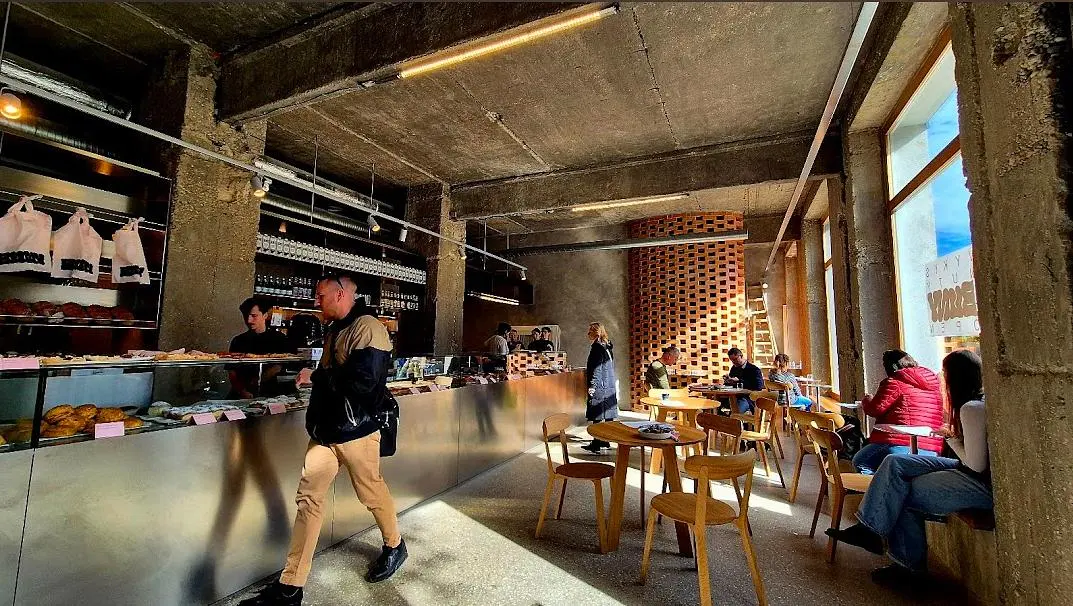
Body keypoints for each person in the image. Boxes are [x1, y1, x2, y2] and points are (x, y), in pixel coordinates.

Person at [240, 275, 404, 606]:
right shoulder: (333, 329)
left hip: (358, 431)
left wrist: (317, 375)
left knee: (370, 493)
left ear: (340, 295)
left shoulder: (369, 327)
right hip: (326, 432)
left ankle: (395, 545)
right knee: (308, 500)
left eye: (321, 295)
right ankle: (291, 586)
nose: (316, 301)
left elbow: (365, 382)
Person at [827, 350, 991, 584]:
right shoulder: (938, 387)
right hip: (938, 452)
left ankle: (908, 568)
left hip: (977, 480)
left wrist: (952, 439)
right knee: (894, 464)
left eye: (945, 375)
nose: (942, 380)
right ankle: (869, 528)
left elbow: (976, 465)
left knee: (889, 481)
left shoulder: (971, 409)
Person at [852, 349, 944, 474]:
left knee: (861, 461)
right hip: (932, 447)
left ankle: (881, 486)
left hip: (900, 442)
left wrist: (867, 400)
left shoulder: (894, 382)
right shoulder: (933, 386)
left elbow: (875, 409)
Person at [228, 297, 296, 398]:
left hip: (269, 393)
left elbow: (278, 366)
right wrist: (242, 391)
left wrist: (257, 381)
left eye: (254, 316)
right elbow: (231, 371)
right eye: (246, 316)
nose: (249, 320)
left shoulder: (279, 339)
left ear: (265, 315)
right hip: (239, 394)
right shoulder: (238, 340)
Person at [582, 322, 618, 453]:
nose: (588, 334)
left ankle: (596, 443)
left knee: (597, 414)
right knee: (607, 414)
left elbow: (597, 369)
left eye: (590, 331)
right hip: (608, 384)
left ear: (595, 333)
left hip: (600, 386)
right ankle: (605, 440)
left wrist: (592, 385)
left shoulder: (597, 348)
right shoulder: (607, 346)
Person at [724, 347, 764, 413]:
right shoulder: (734, 368)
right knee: (716, 405)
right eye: (732, 360)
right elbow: (730, 385)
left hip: (747, 398)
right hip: (733, 396)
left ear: (741, 356)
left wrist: (739, 381)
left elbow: (759, 386)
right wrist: (728, 381)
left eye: (735, 359)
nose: (734, 362)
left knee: (736, 412)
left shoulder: (754, 369)